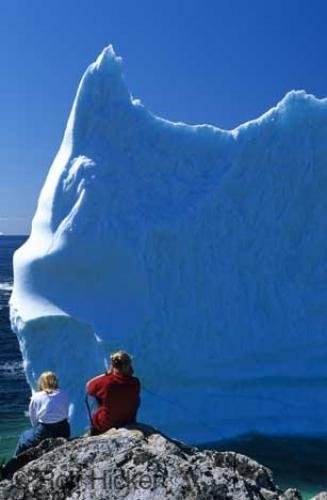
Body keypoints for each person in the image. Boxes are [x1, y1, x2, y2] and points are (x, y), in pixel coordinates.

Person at [15, 371, 70, 456]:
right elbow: (66, 411)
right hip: (64, 430)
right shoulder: (64, 393)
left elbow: (33, 418)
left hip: (45, 431)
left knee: (24, 436)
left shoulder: (36, 397)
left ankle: (15, 462)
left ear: (42, 382)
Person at [86, 351, 141, 435]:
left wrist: (106, 374)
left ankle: (94, 426)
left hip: (106, 425)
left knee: (90, 395)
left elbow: (89, 386)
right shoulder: (136, 382)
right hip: (128, 421)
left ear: (112, 365)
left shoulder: (105, 382)